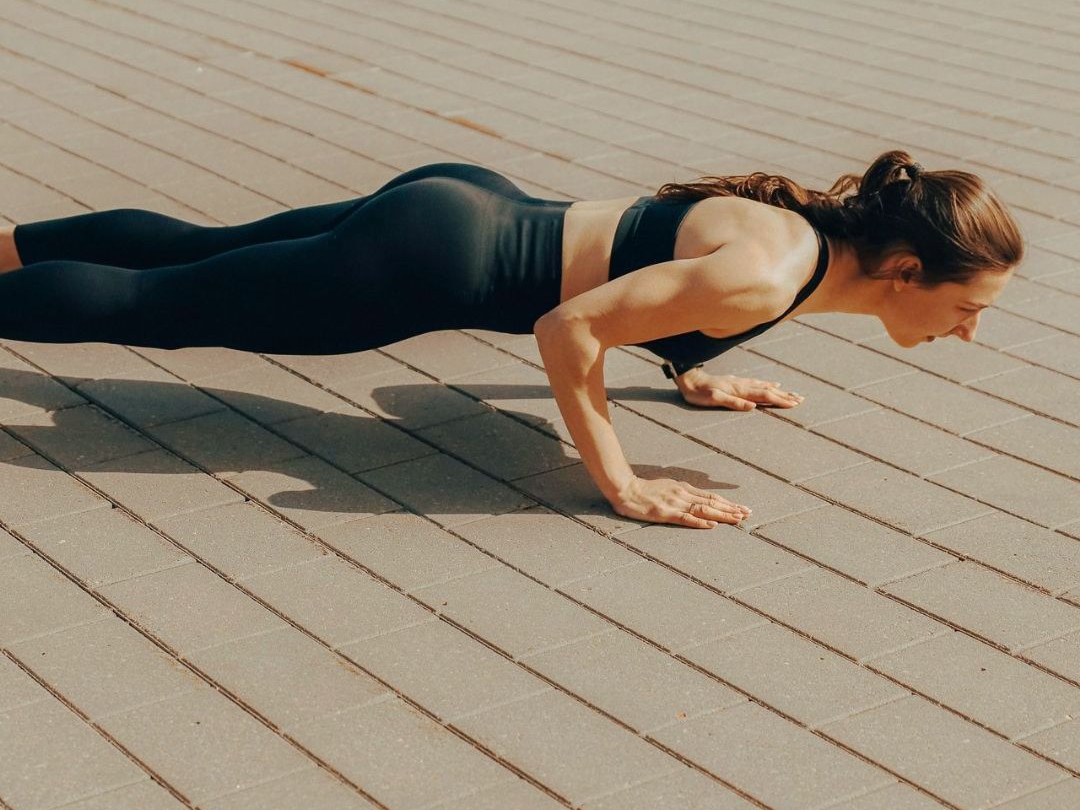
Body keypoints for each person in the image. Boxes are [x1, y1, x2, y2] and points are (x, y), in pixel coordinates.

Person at [0, 149, 1023, 529]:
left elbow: (658, 271)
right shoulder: (763, 277)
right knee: (161, 308)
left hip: (461, 203)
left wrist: (694, 374)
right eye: (970, 306)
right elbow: (566, 325)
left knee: (197, 251)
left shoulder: (801, 245)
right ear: (904, 270)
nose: (970, 333)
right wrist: (619, 482)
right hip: (423, 268)